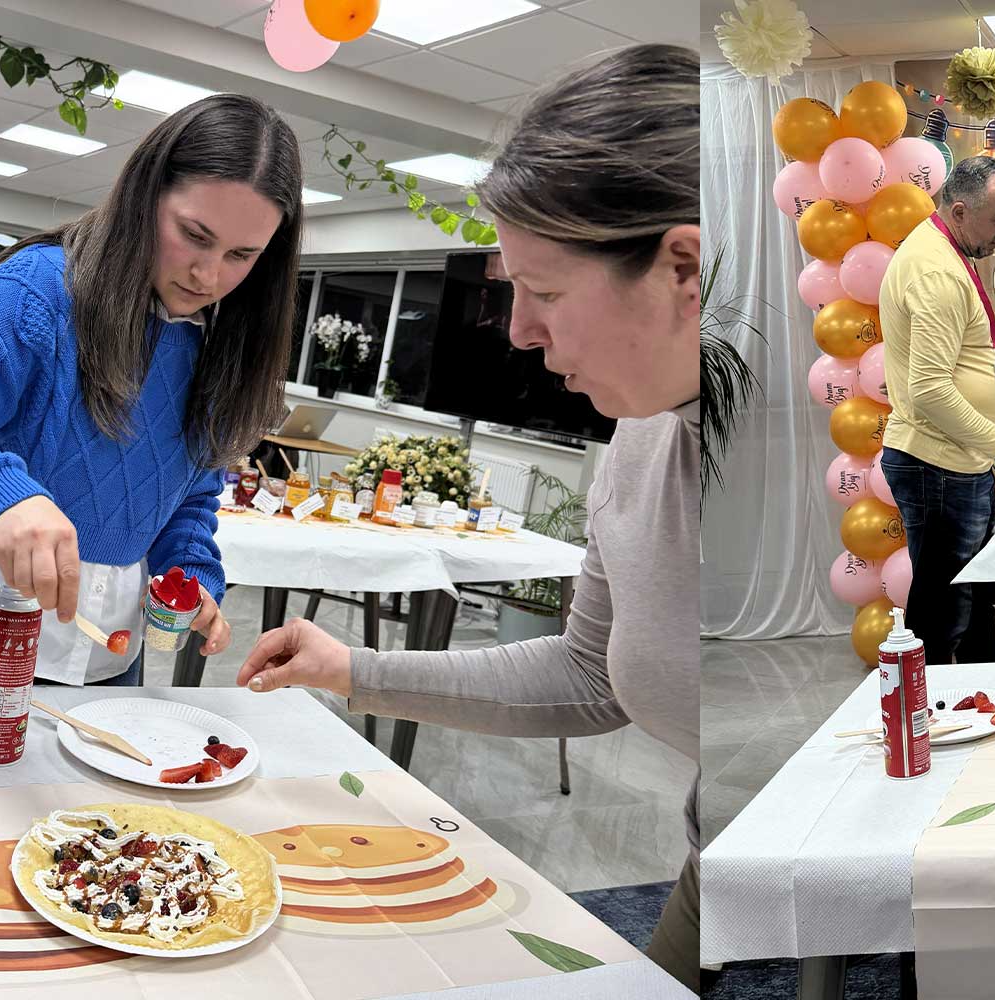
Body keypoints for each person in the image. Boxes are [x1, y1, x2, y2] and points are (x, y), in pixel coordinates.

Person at [232, 44, 702, 991]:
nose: (520, 330)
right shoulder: (640, 440)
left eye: (546, 292)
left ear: (681, 268)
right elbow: (590, 674)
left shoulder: (838, 449)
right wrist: (350, 668)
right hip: (715, 864)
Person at [0, 94, 304, 687]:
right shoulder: (40, 288)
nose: (209, 275)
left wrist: (188, 572)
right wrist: (1, 495)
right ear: (145, 198)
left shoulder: (221, 344)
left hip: (109, 644)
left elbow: (189, 497)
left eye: (242, 255)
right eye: (194, 235)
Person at [876, 156, 995, 665]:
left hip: (955, 460)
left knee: (975, 603)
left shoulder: (944, 250)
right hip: (938, 464)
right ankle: (929, 708)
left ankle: (984, 699)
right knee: (945, 614)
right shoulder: (935, 271)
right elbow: (928, 390)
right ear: (961, 211)